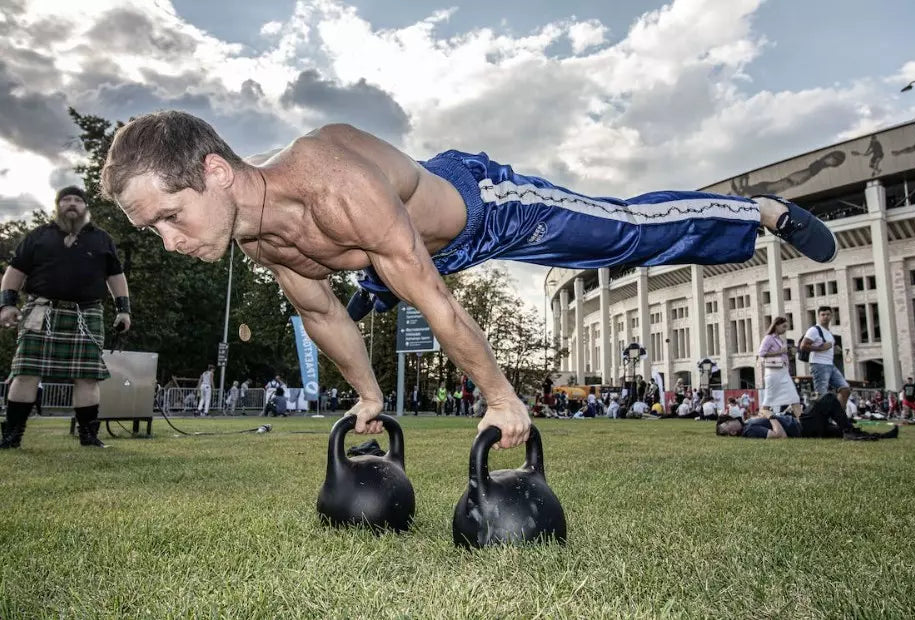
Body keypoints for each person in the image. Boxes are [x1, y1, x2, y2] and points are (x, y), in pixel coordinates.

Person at [102, 111, 838, 449]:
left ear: (217, 173)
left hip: (482, 210)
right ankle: (374, 282)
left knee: (622, 237)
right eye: (152, 233)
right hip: (390, 254)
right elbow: (320, 316)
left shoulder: (328, 181)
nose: (169, 243)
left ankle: (758, 212)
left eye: (169, 216)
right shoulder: (259, 235)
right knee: (359, 286)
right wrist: (368, 398)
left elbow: (437, 299)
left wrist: (500, 397)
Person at [0, 186, 131, 449]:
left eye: (77, 200)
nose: (72, 204)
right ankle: (12, 436)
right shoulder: (39, 236)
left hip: (87, 312)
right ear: (57, 205)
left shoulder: (101, 239)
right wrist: (7, 305)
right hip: (41, 310)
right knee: (26, 372)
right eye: (66, 200)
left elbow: (116, 277)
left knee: (88, 376)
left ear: (86, 207)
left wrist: (124, 309)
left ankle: (89, 437)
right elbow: (14, 272)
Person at [717, 394, 899, 441]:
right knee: (827, 399)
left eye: (726, 420)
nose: (729, 420)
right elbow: (780, 436)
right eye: (726, 424)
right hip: (802, 427)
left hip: (802, 424)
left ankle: (881, 436)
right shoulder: (750, 430)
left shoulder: (748, 425)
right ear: (731, 432)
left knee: (840, 432)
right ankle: (850, 432)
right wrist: (771, 415)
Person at [800, 306, 850, 411]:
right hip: (818, 365)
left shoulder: (828, 332)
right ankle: (819, 420)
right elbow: (803, 346)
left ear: (831, 316)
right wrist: (820, 348)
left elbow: (828, 347)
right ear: (818, 316)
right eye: (823, 315)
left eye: (828, 314)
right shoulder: (814, 330)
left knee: (845, 389)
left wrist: (835, 349)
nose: (825, 317)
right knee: (820, 395)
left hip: (830, 364)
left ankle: (839, 417)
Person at [758, 316, 802, 417]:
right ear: (776, 325)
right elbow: (761, 353)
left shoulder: (779, 339)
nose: (785, 329)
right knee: (768, 401)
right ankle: (759, 419)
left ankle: (803, 424)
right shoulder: (768, 338)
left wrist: (789, 354)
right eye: (783, 326)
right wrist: (780, 352)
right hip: (774, 373)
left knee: (794, 398)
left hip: (782, 372)